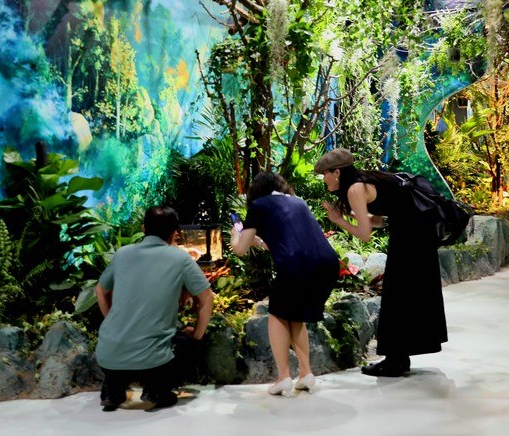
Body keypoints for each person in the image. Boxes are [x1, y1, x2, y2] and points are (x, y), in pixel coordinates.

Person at [314, 148, 447, 377]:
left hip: (412, 235)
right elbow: (379, 221)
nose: (323, 179)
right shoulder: (362, 182)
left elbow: (364, 234)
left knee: (396, 294)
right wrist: (350, 215)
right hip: (416, 232)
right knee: (404, 294)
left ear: (336, 173)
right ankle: (398, 358)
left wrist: (338, 220)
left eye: (324, 174)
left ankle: (394, 362)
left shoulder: (355, 188)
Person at [95, 206, 215, 411]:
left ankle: (113, 388)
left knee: (119, 360)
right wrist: (196, 336)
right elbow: (207, 298)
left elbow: (100, 291)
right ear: (175, 233)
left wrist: (110, 321)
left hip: (109, 356)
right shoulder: (180, 258)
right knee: (189, 342)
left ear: (143, 228)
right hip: (153, 363)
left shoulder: (122, 254)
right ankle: (157, 389)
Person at [230, 171, 339, 395]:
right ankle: (306, 373)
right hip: (327, 264)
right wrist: (258, 241)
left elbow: (240, 249)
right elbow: (279, 241)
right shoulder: (298, 202)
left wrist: (235, 235)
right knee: (295, 316)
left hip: (296, 264)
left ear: (255, 190)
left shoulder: (259, 205)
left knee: (277, 315)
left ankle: (283, 377)